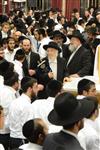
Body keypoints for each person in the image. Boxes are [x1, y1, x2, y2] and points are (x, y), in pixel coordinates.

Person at [8, 77, 38, 149]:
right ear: (29, 89)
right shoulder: (26, 105)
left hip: (13, 138)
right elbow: (27, 127)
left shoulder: (15, 101)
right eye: (36, 87)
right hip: (21, 140)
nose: (37, 89)